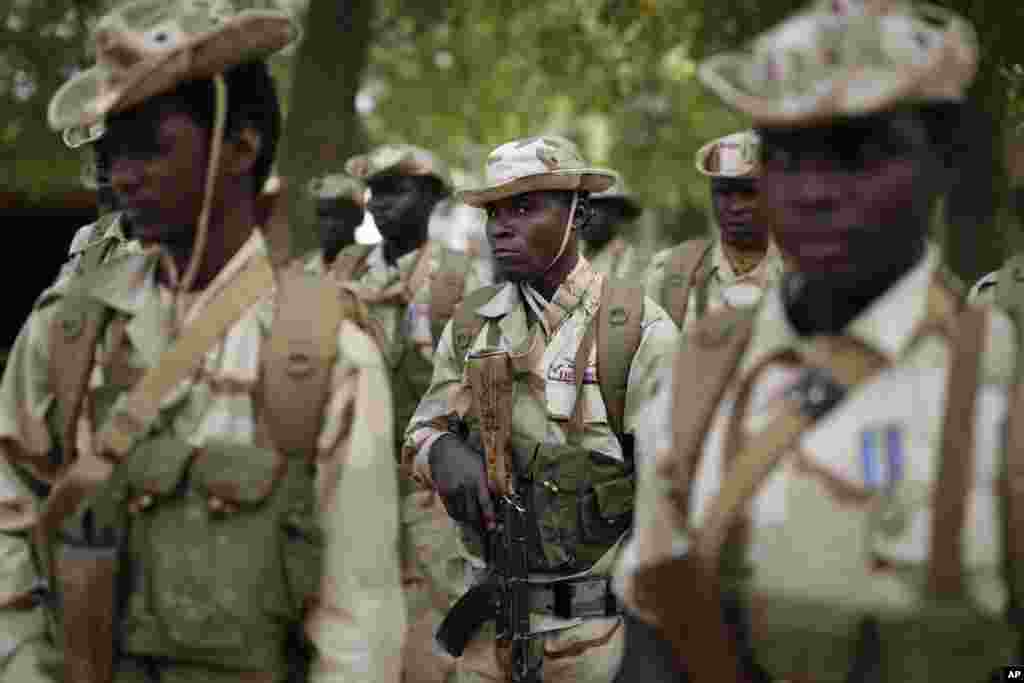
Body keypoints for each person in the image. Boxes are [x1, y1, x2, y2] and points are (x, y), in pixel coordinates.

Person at [615, 2, 1022, 682]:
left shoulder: (1002, 380)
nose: (812, 191)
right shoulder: (700, 372)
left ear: (944, 158)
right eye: (784, 154)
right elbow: (654, 634)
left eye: (856, 152)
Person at [0, 1, 403, 680]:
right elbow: (10, 521)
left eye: (150, 145)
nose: (121, 174)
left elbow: (356, 623)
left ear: (240, 147)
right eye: (112, 151)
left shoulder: (324, 354)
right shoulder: (68, 330)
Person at [405, 135, 677, 682]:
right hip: (487, 634)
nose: (501, 227)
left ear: (580, 214)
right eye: (494, 212)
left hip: (596, 640)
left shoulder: (638, 332)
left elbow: (672, 501)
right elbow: (422, 430)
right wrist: (442, 452)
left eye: (525, 207)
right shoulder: (472, 324)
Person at [336, 144, 488, 683]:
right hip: (353, 479)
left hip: (430, 492)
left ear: (430, 199)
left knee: (436, 626)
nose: (379, 204)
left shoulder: (458, 278)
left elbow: (485, 387)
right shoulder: (344, 270)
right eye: (374, 192)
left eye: (395, 191)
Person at [645, 130, 784, 333]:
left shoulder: (801, 274)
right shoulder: (668, 273)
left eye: (749, 192)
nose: (735, 206)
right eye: (723, 192)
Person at [581, 178, 644, 279]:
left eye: (606, 209)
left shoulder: (630, 261)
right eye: (590, 206)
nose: (595, 215)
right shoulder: (566, 253)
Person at [306, 172, 366, 271]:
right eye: (323, 216)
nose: (329, 224)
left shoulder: (374, 261)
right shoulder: (307, 267)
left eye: (338, 215)